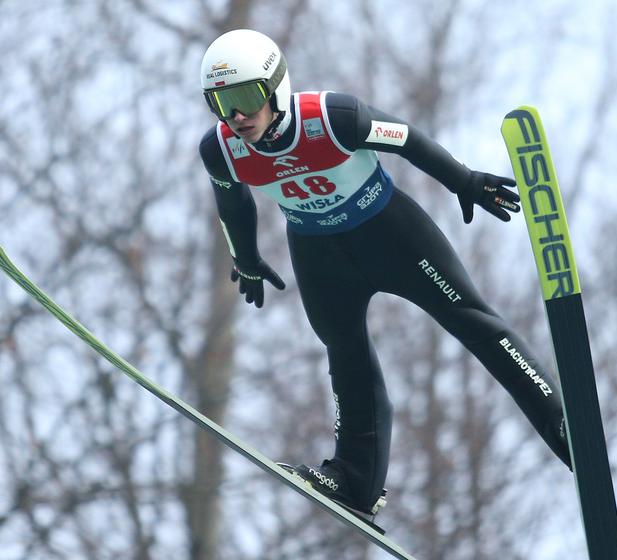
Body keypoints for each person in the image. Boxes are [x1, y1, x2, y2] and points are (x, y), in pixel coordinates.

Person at [198, 29, 572, 524]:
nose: (236, 116)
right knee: (346, 356)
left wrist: (466, 181)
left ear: (275, 88)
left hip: (390, 234)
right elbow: (233, 203)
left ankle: (563, 426)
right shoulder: (221, 149)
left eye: (244, 97)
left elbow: (408, 139)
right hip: (318, 253)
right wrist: (244, 257)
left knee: (474, 322)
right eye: (221, 103)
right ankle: (356, 481)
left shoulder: (333, 118)